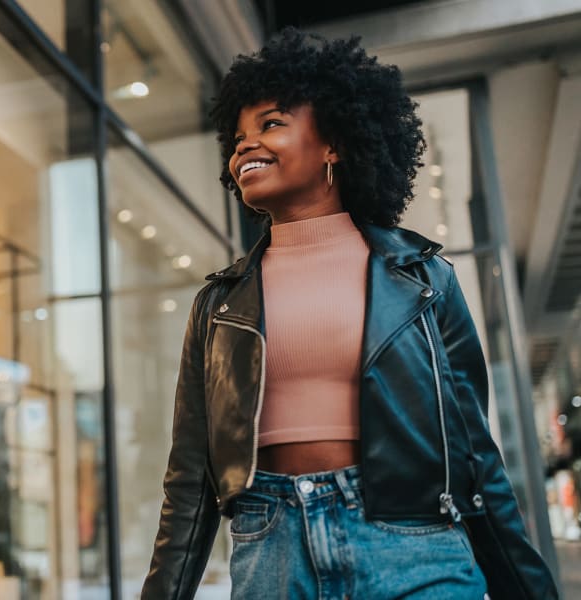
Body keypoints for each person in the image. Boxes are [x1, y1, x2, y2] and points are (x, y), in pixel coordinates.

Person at [141, 28, 558, 600]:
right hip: (271, 547)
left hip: (413, 544)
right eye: (237, 136)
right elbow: (190, 478)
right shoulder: (217, 305)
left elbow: (474, 453)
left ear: (333, 142)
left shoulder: (424, 280)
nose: (244, 146)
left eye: (270, 124)